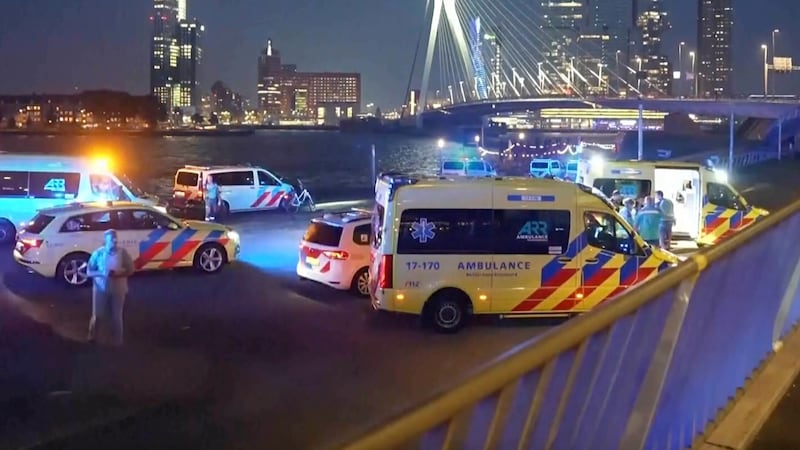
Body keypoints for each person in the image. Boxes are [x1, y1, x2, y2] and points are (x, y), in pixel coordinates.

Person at [86, 229, 135, 346]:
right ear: (106, 240)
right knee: (98, 315)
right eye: (112, 238)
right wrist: (102, 273)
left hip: (118, 289)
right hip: (101, 289)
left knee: (117, 316)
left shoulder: (123, 253)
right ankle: (92, 337)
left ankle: (117, 341)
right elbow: (89, 271)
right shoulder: (98, 253)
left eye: (115, 238)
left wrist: (120, 273)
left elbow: (131, 270)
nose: (115, 240)